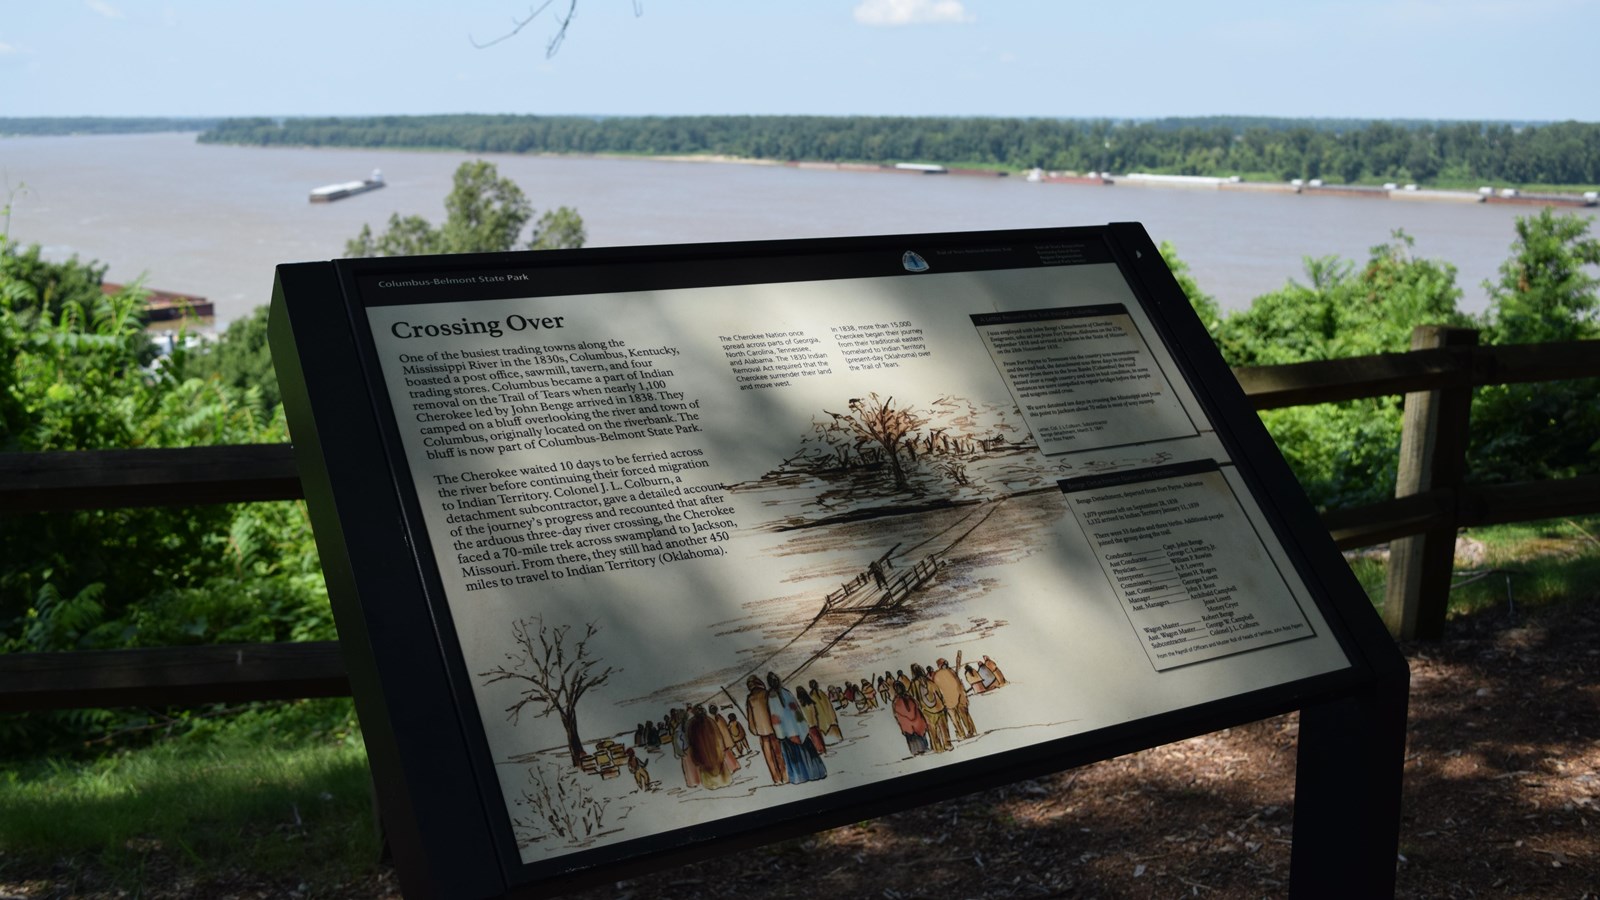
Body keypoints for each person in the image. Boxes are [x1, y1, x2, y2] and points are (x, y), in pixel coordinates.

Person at [766, 672, 827, 784]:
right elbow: (785, 716)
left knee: (799, 756)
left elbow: (789, 714)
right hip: (794, 732)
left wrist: (786, 734)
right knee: (803, 755)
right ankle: (809, 775)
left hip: (792, 733)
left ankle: (807, 776)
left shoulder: (778, 695)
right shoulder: (779, 695)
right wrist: (799, 729)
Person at [744, 675, 786, 784]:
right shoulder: (767, 694)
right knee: (779, 753)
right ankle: (785, 776)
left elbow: (750, 719)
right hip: (773, 729)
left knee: (769, 757)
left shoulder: (750, 699)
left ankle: (776, 779)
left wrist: (755, 730)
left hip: (761, 732)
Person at [686, 704, 735, 790]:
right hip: (709, 750)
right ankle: (721, 782)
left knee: (710, 765)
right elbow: (718, 736)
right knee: (712, 765)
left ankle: (718, 782)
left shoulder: (693, 723)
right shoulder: (706, 721)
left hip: (707, 750)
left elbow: (691, 741)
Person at [910, 664, 951, 753]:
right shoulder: (929, 681)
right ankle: (948, 745)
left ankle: (938, 748)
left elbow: (913, 698)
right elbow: (939, 693)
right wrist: (943, 704)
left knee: (933, 731)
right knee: (944, 728)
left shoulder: (913, 684)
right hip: (939, 708)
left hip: (927, 711)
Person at [932, 658, 976, 740]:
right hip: (958, 698)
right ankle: (970, 731)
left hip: (949, 701)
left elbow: (937, 690)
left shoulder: (937, 675)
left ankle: (962, 734)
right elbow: (959, 684)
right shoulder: (951, 671)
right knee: (963, 716)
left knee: (956, 719)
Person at [890, 681, 930, 756]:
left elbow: (896, 714)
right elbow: (917, 707)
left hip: (909, 724)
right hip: (914, 722)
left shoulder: (897, 701)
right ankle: (920, 749)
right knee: (916, 736)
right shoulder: (907, 698)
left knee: (913, 736)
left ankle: (917, 750)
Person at [808, 679, 844, 744]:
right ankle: (836, 739)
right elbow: (828, 704)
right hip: (828, 715)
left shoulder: (811, 695)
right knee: (831, 725)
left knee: (824, 727)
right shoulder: (821, 692)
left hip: (820, 716)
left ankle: (827, 742)